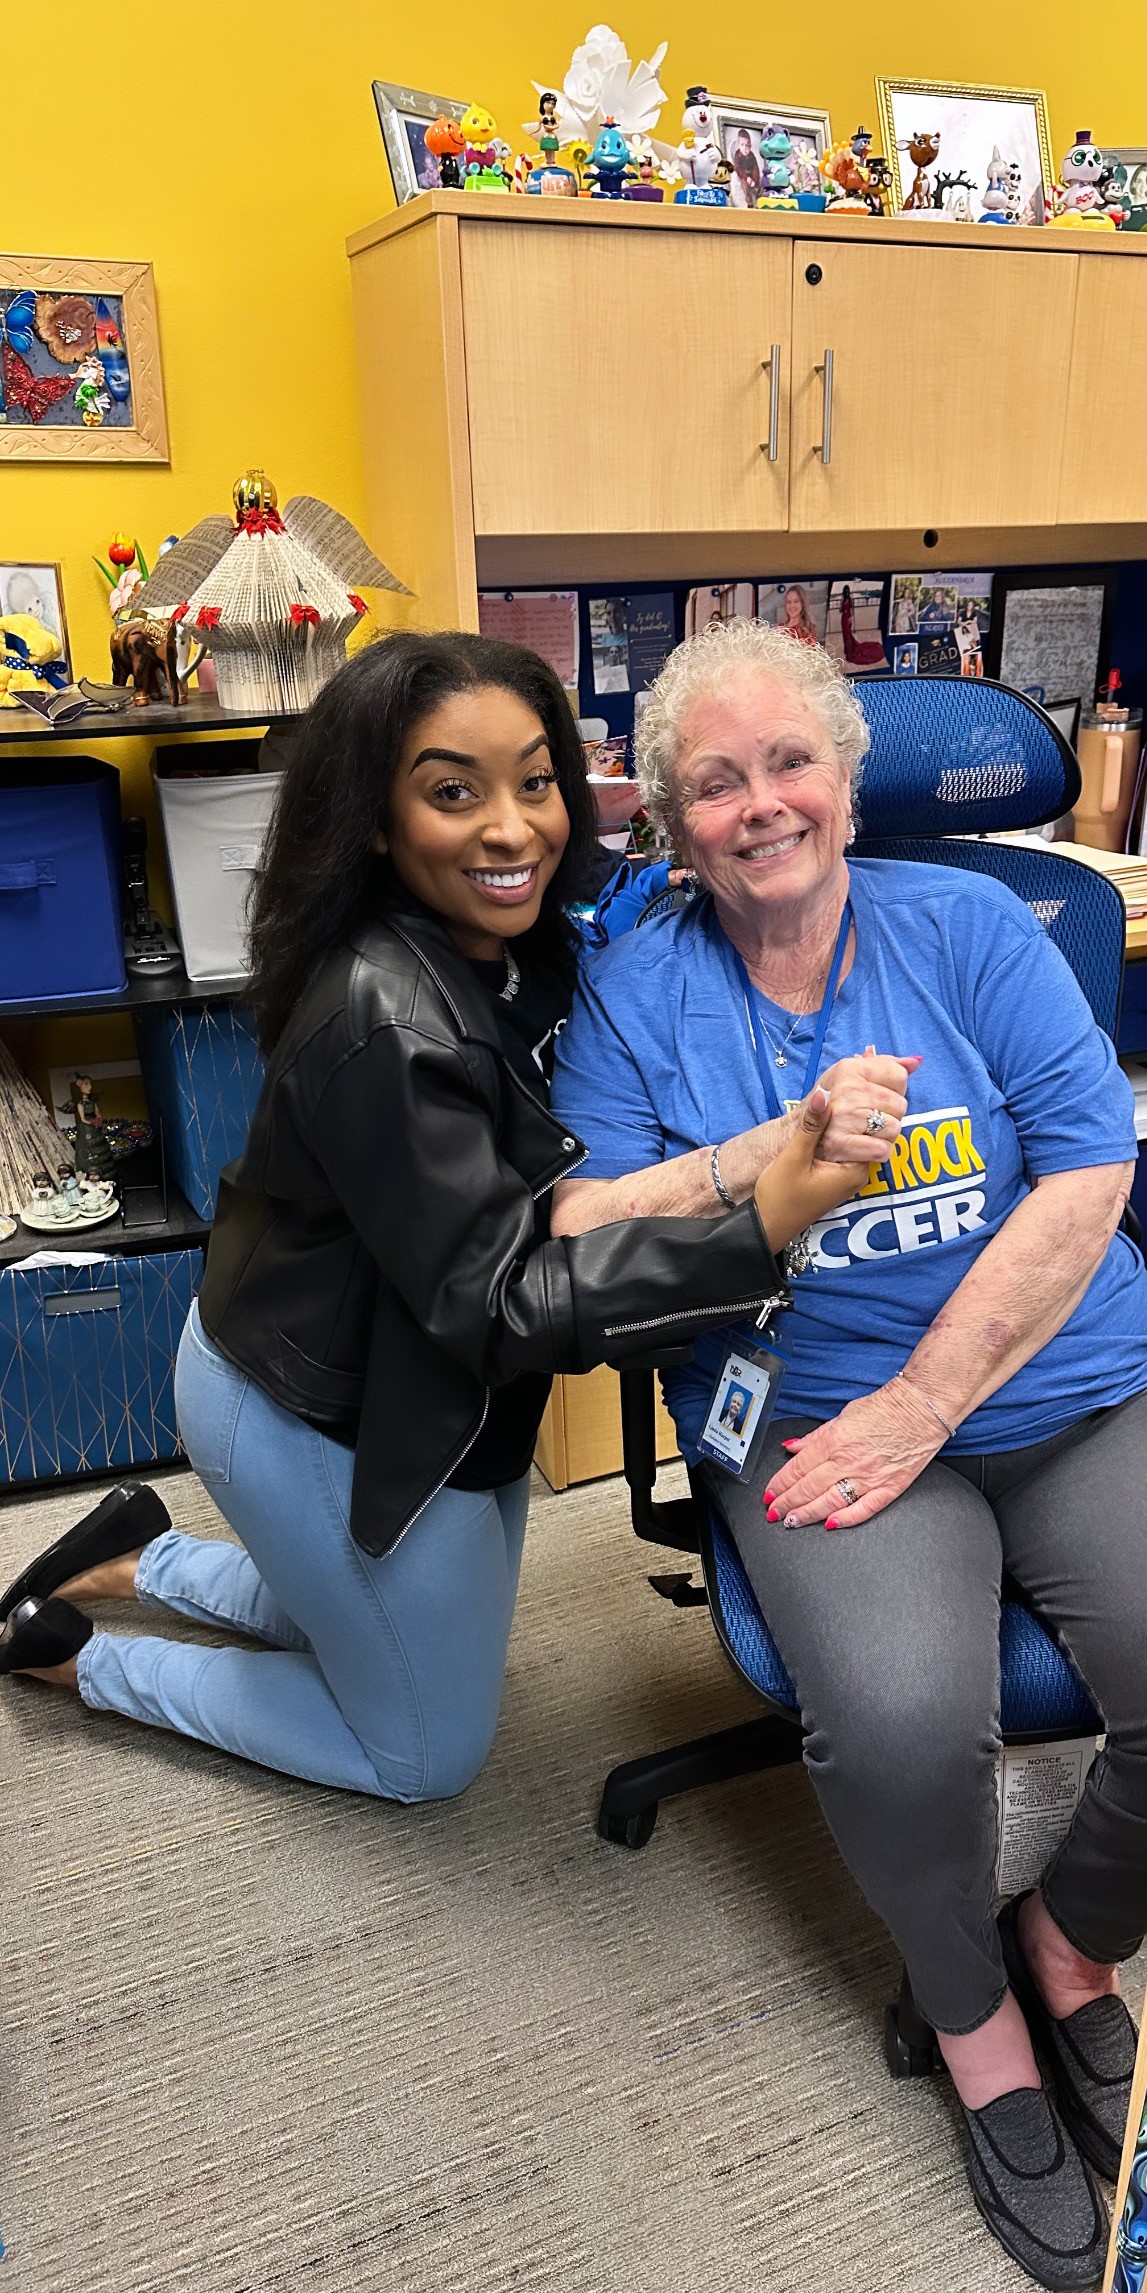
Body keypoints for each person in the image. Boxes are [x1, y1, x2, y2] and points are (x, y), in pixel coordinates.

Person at [549, 616, 1147, 2289]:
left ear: (849, 781)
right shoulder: (638, 987)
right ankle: (972, 2017)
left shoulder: (976, 926)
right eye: (715, 782)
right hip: (803, 1411)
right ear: (672, 820)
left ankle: (1068, 1942)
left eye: (791, 761)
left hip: (1069, 1386)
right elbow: (579, 1226)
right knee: (898, 1722)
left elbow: (1089, 1170)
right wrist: (767, 1151)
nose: (761, 804)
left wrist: (927, 1400)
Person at [0, 631, 889, 1806]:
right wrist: (757, 1220)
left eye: (536, 782)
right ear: (377, 818)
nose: (513, 830)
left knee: (369, 1619)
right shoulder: (386, 1018)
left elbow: (578, 1007)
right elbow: (504, 1303)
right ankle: (73, 1656)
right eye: (453, 793)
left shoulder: (517, 939)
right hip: (316, 1402)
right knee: (423, 1750)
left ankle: (137, 1554)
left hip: (423, 1372)